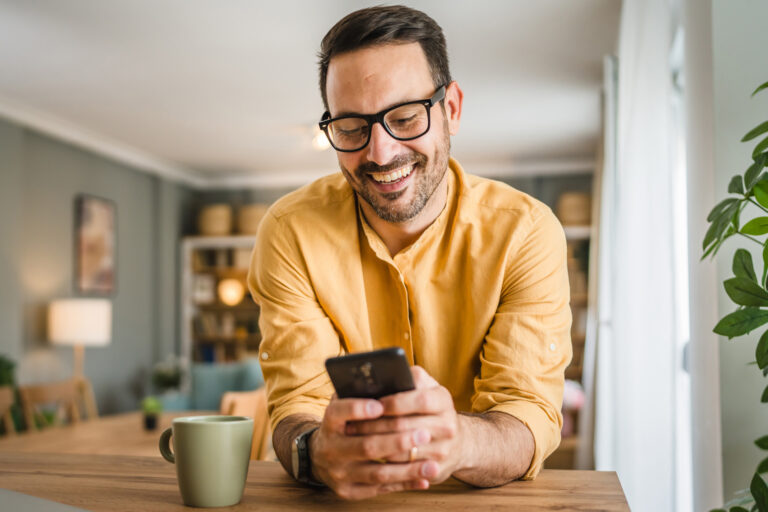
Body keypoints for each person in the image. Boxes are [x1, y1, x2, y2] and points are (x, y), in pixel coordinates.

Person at [247, 5, 572, 501]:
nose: (379, 153)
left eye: (403, 117)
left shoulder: (526, 233)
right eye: (352, 128)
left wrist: (456, 441)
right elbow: (296, 405)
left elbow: (527, 415)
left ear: (452, 109)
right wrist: (315, 451)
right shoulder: (289, 232)